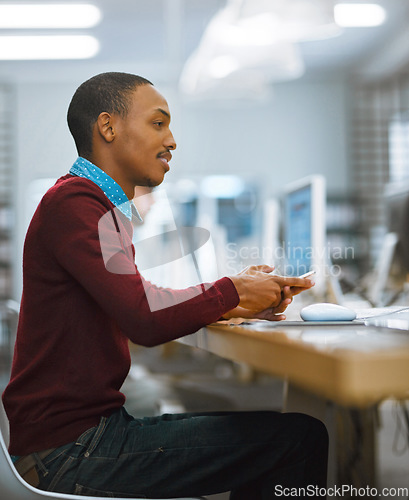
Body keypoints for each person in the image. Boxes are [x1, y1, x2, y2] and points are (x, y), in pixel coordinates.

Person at [2, 72, 328, 499]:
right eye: (159, 123)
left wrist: (232, 302)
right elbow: (144, 318)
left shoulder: (94, 207)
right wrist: (231, 291)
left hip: (78, 440)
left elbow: (136, 298)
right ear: (108, 128)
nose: (172, 140)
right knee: (296, 440)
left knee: (273, 432)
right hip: (72, 451)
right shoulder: (77, 203)